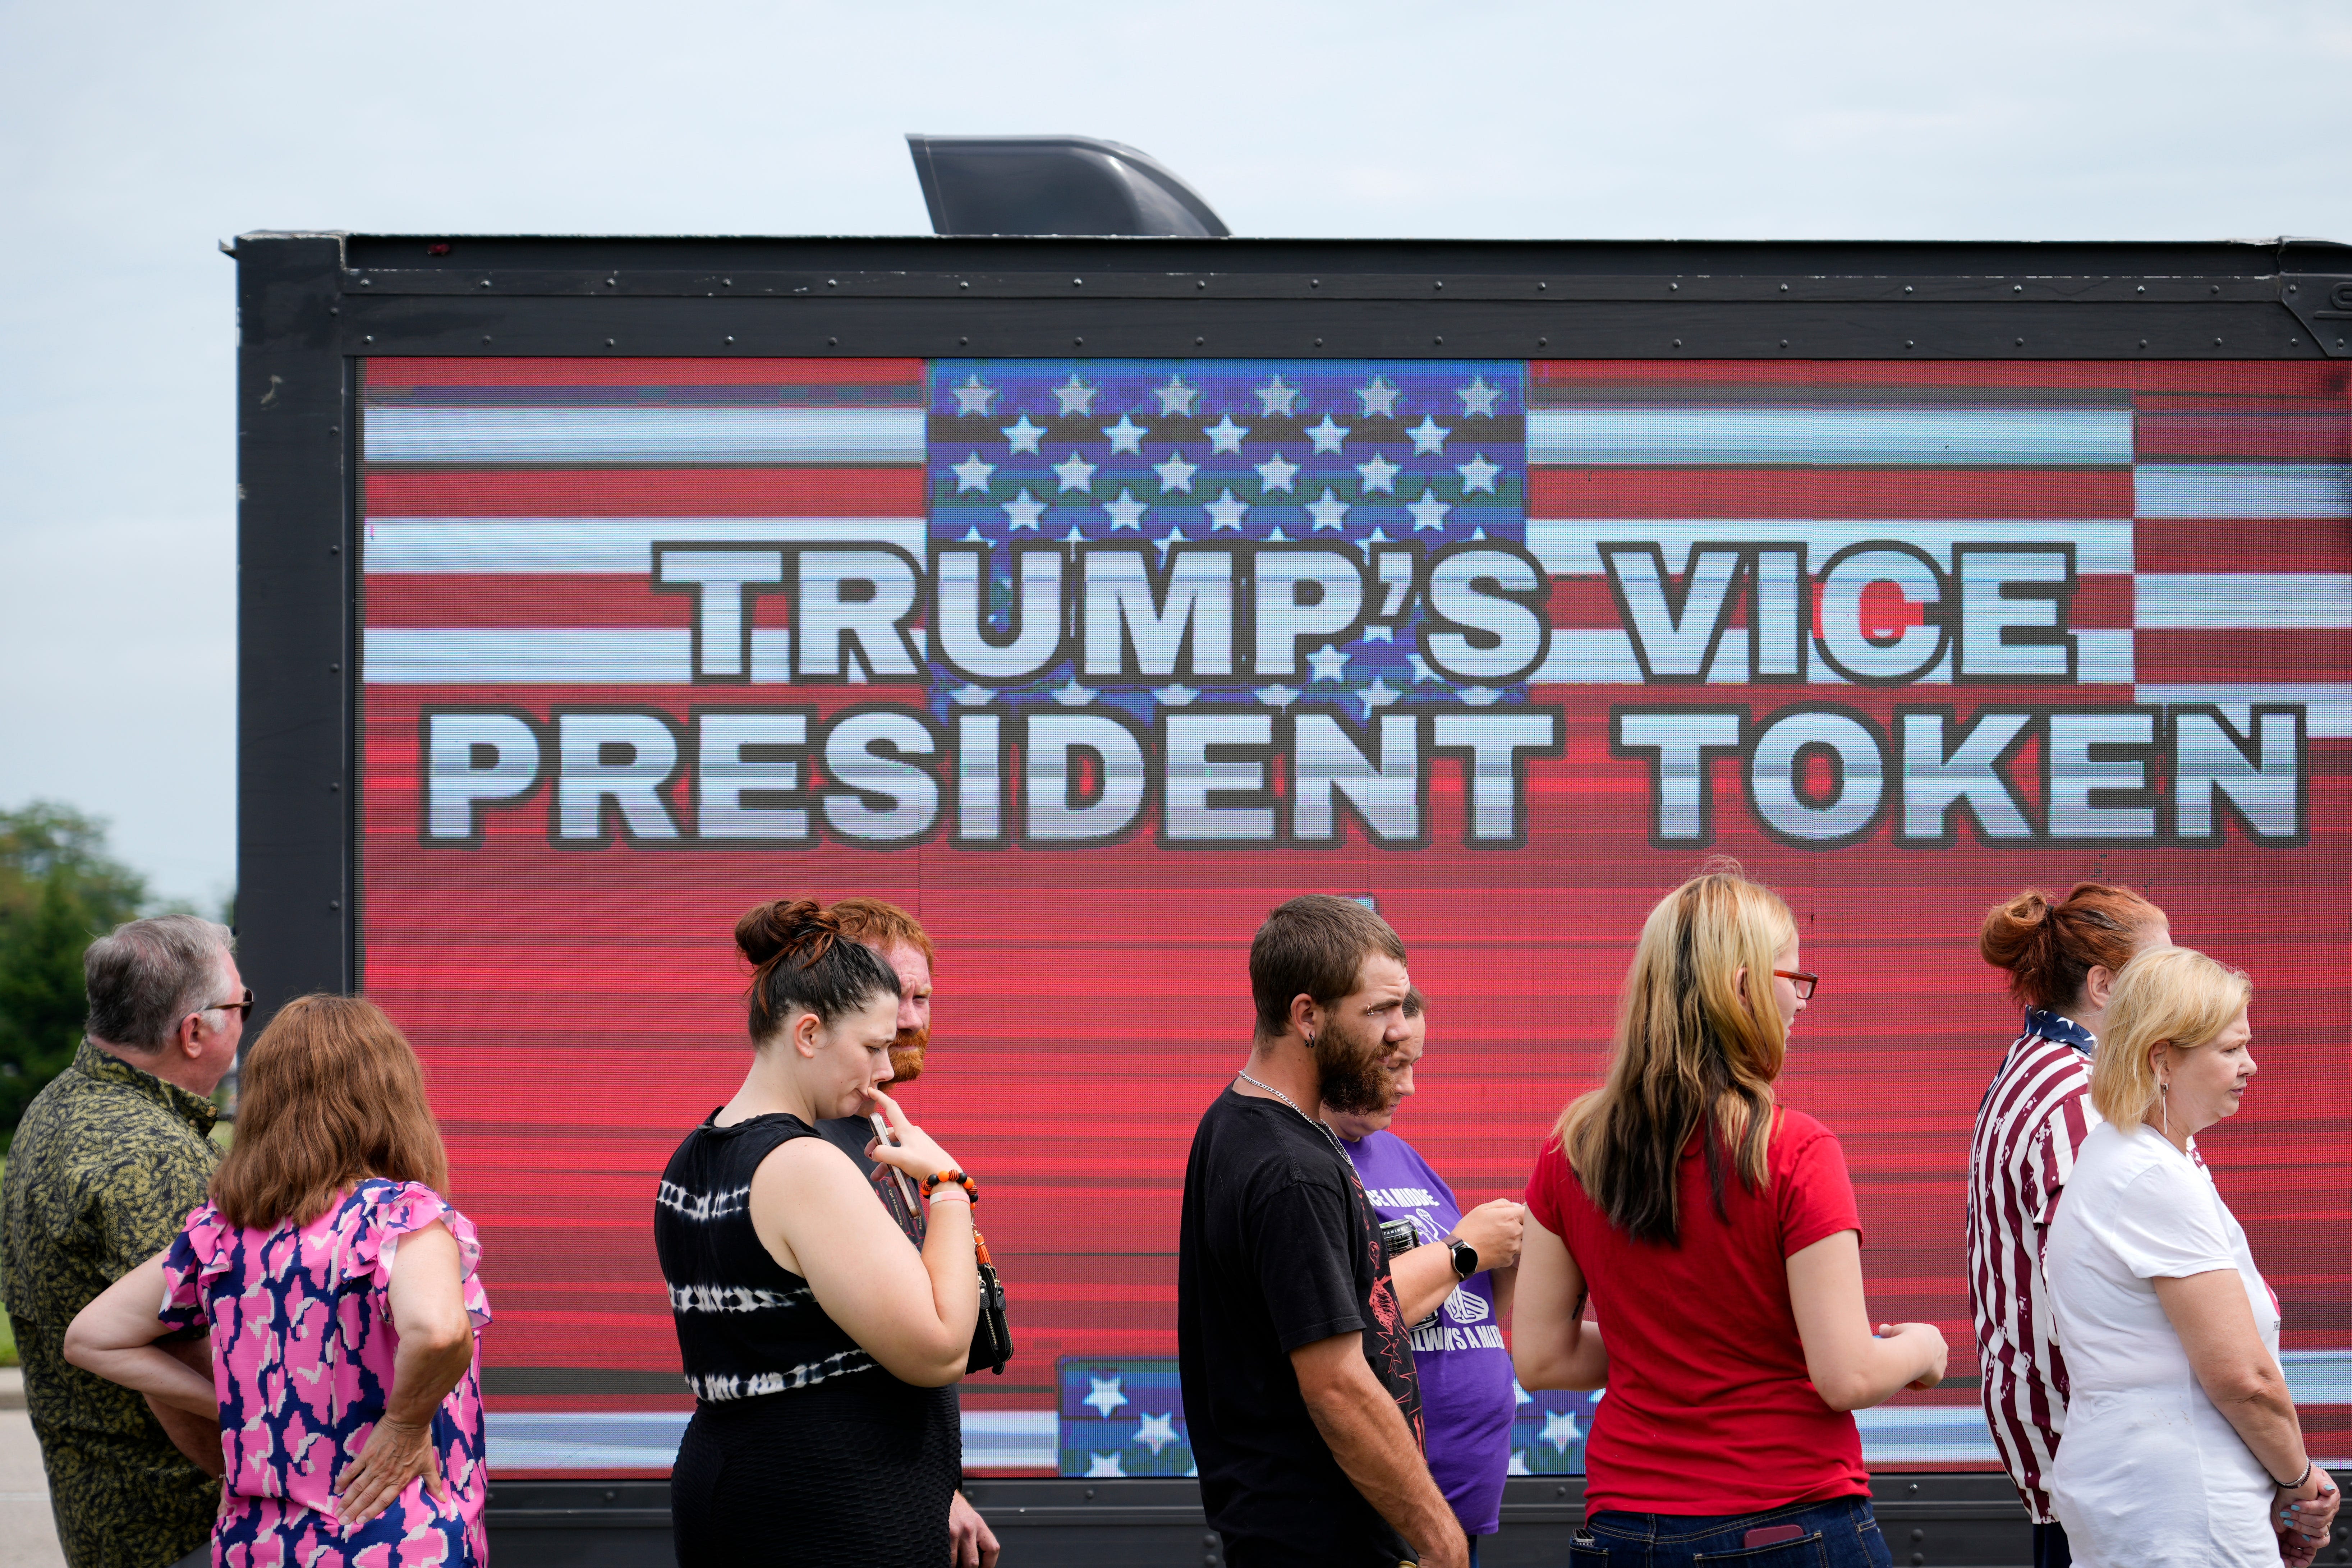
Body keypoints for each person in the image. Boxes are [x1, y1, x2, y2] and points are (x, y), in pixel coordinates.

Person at [1515, 864, 1944, 1567]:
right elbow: (1846, 1375)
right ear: (1741, 987)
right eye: (1792, 979)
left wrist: (1661, 1347)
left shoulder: (1572, 1150)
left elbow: (1542, 1357)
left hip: (1626, 1531)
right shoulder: (1796, 1149)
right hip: (1787, 1523)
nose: (1800, 1002)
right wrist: (1923, 1348)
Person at [61, 994, 491, 1568]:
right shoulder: (398, 1217)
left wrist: (243, 1407)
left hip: (257, 1544)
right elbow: (438, 1331)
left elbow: (92, 1337)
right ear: (393, 1096)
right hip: (394, 1537)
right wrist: (405, 1424)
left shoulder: (221, 1232)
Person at [656, 900, 980, 1567]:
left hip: (754, 1488)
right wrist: (948, 1188)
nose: (886, 1070)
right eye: (872, 1047)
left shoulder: (695, 1151)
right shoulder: (806, 1166)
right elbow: (941, 1349)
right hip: (830, 1508)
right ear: (808, 1034)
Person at [1178, 894, 1465, 1568]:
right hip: (1316, 1543)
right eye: (1378, 1011)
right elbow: (1336, 1384)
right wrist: (1441, 1539)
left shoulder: (1242, 1121)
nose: (1401, 1030)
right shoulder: (1291, 1170)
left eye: (1402, 1006)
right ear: (1306, 1015)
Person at [2044, 946, 2339, 1568]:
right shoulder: (2151, 1176)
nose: (2251, 1065)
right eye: (2230, 1050)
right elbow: (2245, 1379)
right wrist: (2298, 1481)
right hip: (2184, 1510)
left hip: (2153, 1499)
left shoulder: (2131, 1157)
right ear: (2162, 1059)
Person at [0, 914, 244, 1568]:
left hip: (105, 1519)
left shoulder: (57, 1104)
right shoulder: (154, 1157)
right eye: (241, 1004)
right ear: (194, 1032)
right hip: (188, 1529)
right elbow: (183, 1371)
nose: (248, 1017)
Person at [1967, 882, 2170, 1567]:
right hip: (2111, 1482)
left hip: (2086, 1474)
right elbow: (2115, 1299)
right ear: (2105, 985)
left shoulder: (2042, 1071)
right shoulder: (2076, 1097)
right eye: (2160, 969)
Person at [808, 895, 997, 1568]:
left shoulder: (879, 1130)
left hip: (894, 1494)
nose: (913, 1020)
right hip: (837, 1515)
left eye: (924, 997)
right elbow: (831, 1367)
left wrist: (939, 1488)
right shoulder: (812, 1151)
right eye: (897, 997)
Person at [1328, 988, 1525, 1565]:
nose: (1408, 1086)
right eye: (1393, 1066)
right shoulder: (1313, 1162)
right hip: (1387, 1521)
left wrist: (1511, 1254)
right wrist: (1465, 1249)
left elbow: (1464, 1307)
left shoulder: (1401, 1155)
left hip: (1455, 1521)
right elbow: (1356, 1316)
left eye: (1413, 1064)